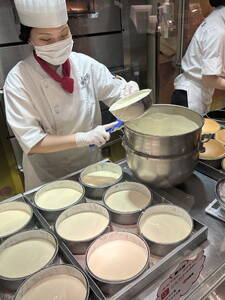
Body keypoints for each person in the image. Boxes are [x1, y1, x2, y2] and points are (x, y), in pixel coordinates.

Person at [4, 0, 139, 190]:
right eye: (46, 39)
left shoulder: (85, 65)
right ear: (29, 39)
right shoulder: (19, 80)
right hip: (48, 178)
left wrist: (130, 94)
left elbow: (119, 98)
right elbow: (33, 142)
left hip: (90, 168)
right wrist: (82, 138)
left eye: (64, 33)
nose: (58, 43)